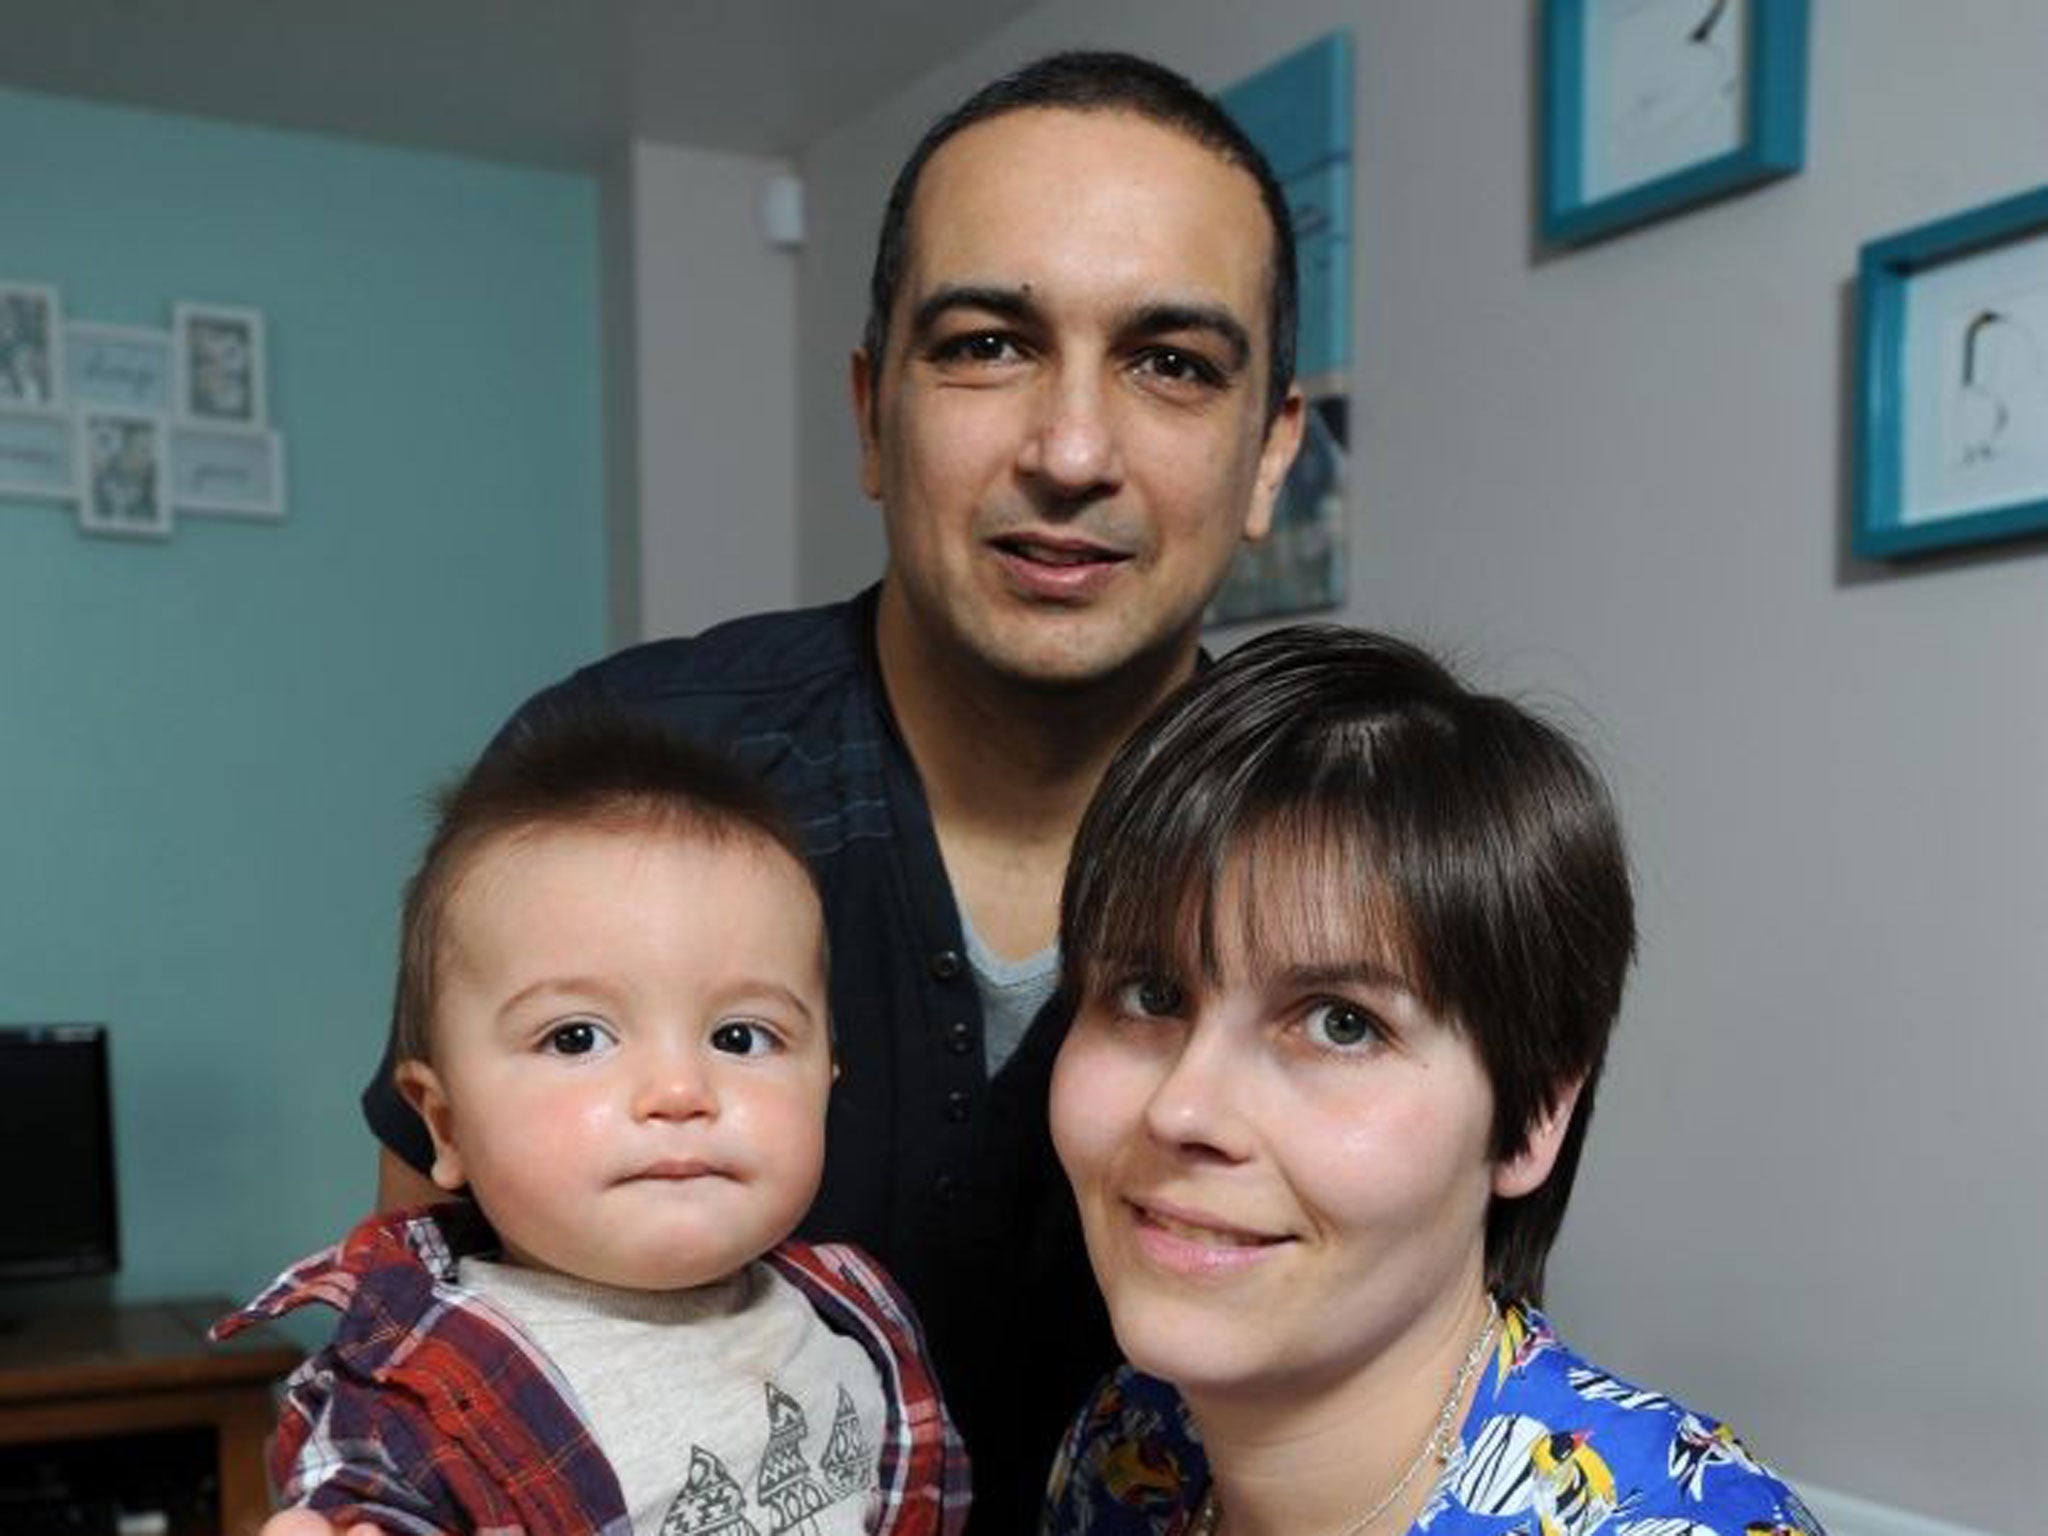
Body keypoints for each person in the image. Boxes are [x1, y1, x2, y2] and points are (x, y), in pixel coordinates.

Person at [338, 49, 1306, 1535]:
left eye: (1171, 363)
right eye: (986, 344)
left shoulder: (1348, 855)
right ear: (871, 412)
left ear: (1269, 456)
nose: (1070, 449)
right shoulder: (611, 777)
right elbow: (421, 1341)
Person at [1043, 627, 1825, 1536]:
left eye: (1341, 1023)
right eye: (1151, 994)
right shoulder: (1128, 1445)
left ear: (1534, 1116)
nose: (1183, 1108)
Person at [219, 710, 968, 1534]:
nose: (681, 1090)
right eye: (577, 1038)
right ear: (445, 1125)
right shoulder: (420, 1398)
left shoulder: (849, 1314)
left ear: (826, 1081)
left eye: (740, 1037)